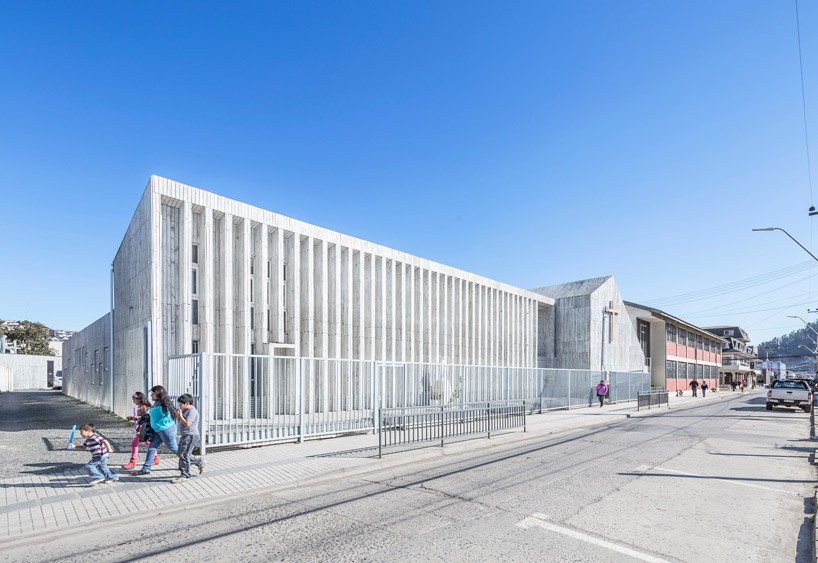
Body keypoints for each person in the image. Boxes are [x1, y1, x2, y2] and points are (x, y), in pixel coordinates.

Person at [131, 385, 179, 476]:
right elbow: (154, 415)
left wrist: (156, 424)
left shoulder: (163, 405)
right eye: (151, 393)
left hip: (165, 430)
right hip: (158, 430)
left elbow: (166, 418)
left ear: (159, 394)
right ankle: (146, 468)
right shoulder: (157, 403)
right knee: (152, 448)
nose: (151, 395)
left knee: (174, 448)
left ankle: (196, 460)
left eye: (153, 394)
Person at [172, 393, 207, 484]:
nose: (179, 406)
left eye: (181, 404)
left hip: (191, 435)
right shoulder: (184, 410)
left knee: (184, 455)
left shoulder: (192, 411)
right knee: (182, 453)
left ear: (187, 403)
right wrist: (178, 415)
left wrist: (181, 416)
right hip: (185, 435)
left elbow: (188, 424)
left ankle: (185, 475)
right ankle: (200, 461)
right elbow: (180, 420)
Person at [122, 391, 160, 470]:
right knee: (147, 443)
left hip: (145, 429)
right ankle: (155, 458)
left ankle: (133, 461)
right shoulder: (142, 406)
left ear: (139, 399)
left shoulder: (145, 407)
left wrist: (134, 418)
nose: (133, 401)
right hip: (142, 428)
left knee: (135, 443)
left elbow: (146, 417)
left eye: (134, 399)